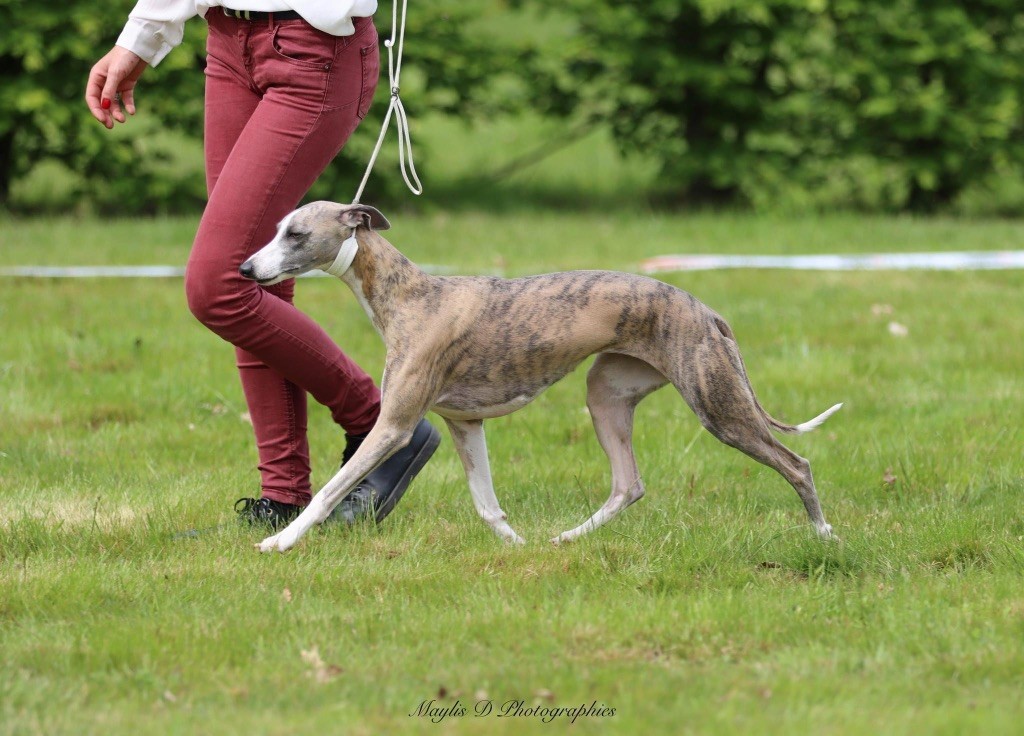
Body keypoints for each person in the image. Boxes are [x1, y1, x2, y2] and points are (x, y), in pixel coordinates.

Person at [85, 1, 439, 530]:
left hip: (315, 50)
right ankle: (284, 495)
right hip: (227, 39)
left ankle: (374, 420)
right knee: (257, 280)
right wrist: (141, 37)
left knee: (219, 286)